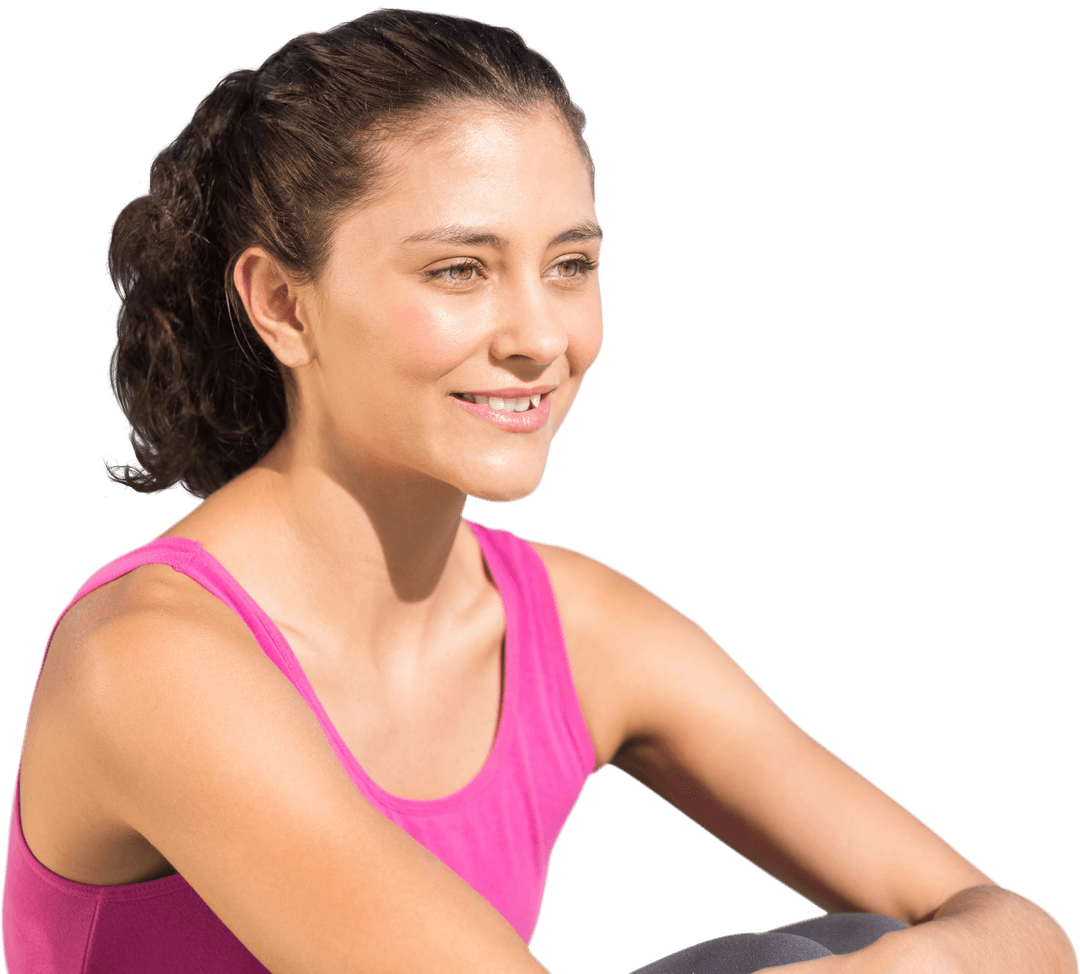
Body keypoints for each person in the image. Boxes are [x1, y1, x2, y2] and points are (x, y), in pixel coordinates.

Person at [2, 8, 1075, 974]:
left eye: (569, 265)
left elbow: (1022, 932)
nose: (538, 338)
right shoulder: (147, 661)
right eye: (458, 270)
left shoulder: (578, 630)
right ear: (282, 303)